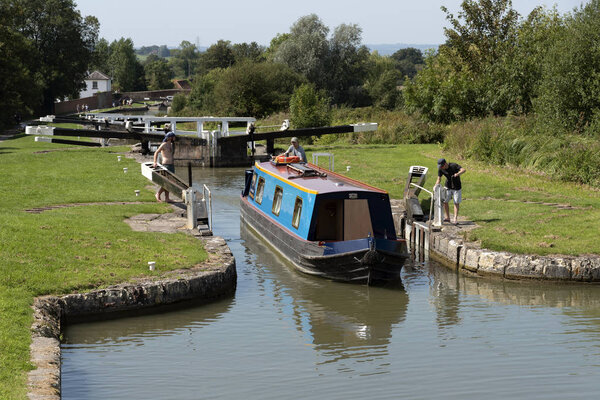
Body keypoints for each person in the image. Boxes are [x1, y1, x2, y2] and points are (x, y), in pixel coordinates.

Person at [435, 158, 466, 224]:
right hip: (448, 186)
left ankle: (455, 218)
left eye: (442, 166)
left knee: (456, 202)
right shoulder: (441, 169)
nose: (441, 168)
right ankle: (448, 218)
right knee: (445, 201)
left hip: (457, 187)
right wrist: (436, 186)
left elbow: (463, 170)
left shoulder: (453, 165)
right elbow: (439, 179)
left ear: (445, 164)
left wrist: (458, 174)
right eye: (440, 166)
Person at [153, 131, 176, 202]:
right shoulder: (164, 145)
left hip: (171, 165)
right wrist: (155, 162)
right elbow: (156, 152)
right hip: (166, 165)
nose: (175, 138)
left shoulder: (172, 145)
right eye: (173, 136)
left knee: (169, 182)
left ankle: (167, 198)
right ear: (170, 138)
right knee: (168, 182)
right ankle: (158, 193)